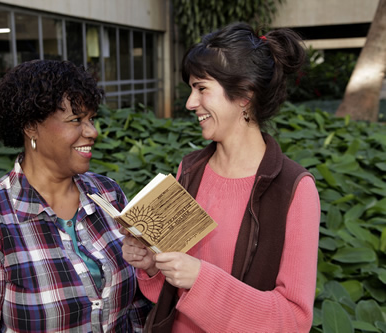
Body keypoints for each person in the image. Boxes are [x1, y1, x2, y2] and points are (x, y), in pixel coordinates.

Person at [121, 22, 320, 332]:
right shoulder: (189, 170)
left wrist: (201, 279)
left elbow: (294, 320)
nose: (189, 103)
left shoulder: (294, 189)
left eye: (201, 88)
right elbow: (171, 295)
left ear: (244, 94)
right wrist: (151, 266)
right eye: (191, 88)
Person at [0, 59, 152, 332]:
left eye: (91, 119)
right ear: (31, 126)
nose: (92, 132)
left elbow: (136, 309)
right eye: (75, 120)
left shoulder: (109, 194)